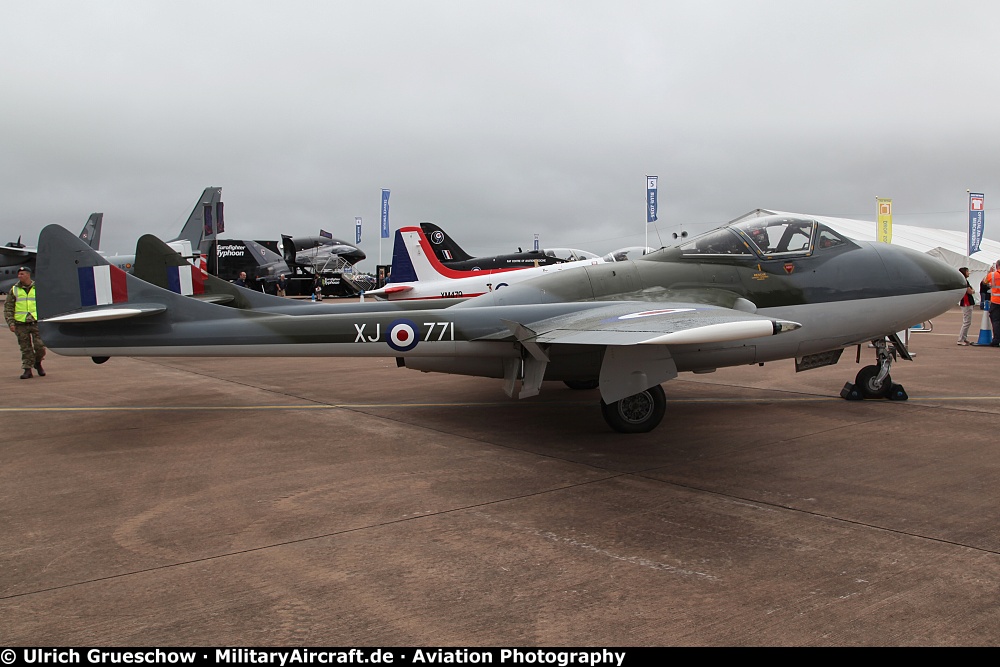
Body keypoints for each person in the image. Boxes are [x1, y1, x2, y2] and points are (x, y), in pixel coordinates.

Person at [4, 266, 46, 379]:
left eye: (22, 274)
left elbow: (46, 304)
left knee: (40, 347)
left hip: (36, 322)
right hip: (20, 323)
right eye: (19, 274)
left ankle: (38, 362)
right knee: (25, 348)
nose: (19, 276)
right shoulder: (14, 289)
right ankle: (27, 370)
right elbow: (8, 307)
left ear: (28, 274)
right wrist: (11, 323)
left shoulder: (38, 288)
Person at [957, 267, 975, 345]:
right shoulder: (964, 281)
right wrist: (972, 291)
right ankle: (960, 339)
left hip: (967, 303)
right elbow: (970, 291)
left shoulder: (965, 281)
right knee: (966, 322)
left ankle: (964, 338)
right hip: (966, 303)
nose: (969, 273)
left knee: (967, 322)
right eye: (967, 271)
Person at [986, 262, 1000, 347]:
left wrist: (989, 272)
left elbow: (985, 282)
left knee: (996, 321)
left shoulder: (992, 275)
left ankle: (996, 340)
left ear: (997, 266)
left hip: (995, 301)